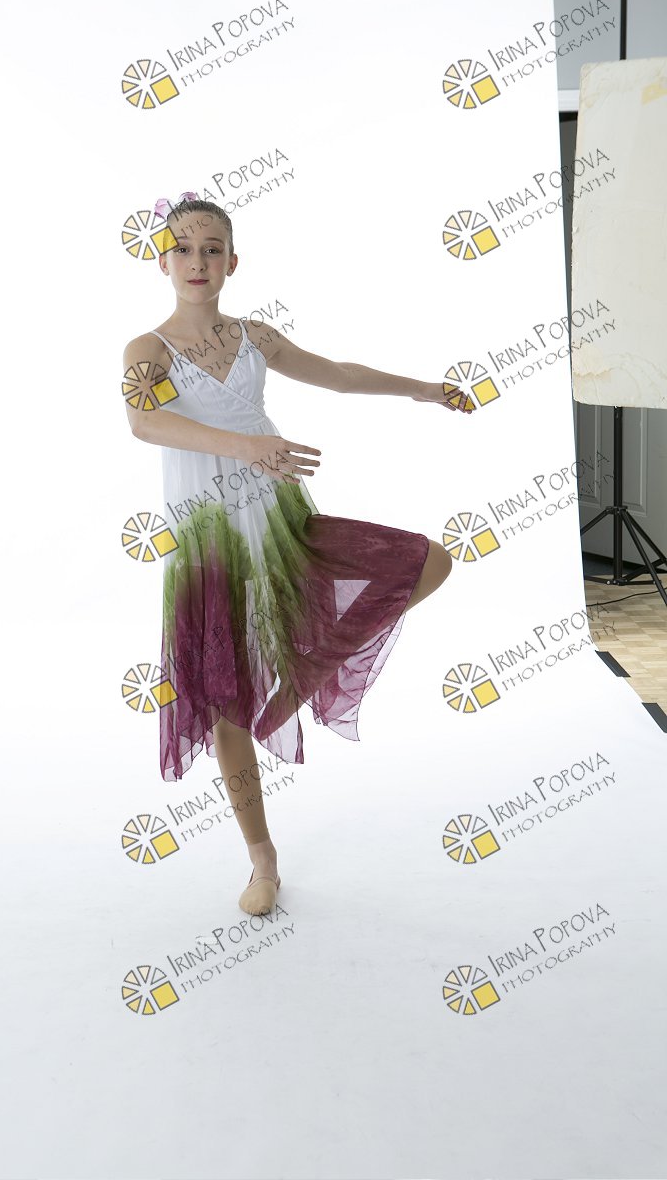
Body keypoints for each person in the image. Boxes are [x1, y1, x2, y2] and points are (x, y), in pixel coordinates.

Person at [122, 194, 474, 917]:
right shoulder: (146, 351)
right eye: (183, 249)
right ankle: (262, 859)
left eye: (212, 249)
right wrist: (248, 447)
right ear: (163, 262)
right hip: (209, 541)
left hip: (280, 519)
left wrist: (424, 390)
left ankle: (301, 676)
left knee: (429, 561)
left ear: (233, 262)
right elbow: (144, 422)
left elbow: (338, 372)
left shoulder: (255, 336)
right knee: (226, 709)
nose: (197, 261)